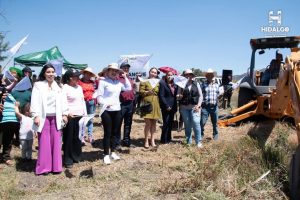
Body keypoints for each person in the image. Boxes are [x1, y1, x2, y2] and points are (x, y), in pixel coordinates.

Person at [30, 63, 68, 175]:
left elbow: (63, 101)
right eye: (48, 72)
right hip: (43, 118)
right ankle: (44, 168)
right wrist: (35, 115)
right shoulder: (38, 85)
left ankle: (56, 167)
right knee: (44, 143)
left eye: (52, 72)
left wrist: (65, 114)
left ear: (55, 73)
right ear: (44, 73)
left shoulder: (59, 86)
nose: (51, 74)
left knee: (56, 143)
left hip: (56, 118)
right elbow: (34, 101)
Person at [96, 63, 132, 164]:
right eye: (112, 70)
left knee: (115, 133)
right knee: (108, 133)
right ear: (107, 72)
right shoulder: (103, 82)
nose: (114, 72)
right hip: (106, 111)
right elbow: (99, 97)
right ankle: (106, 154)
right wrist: (106, 103)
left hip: (117, 110)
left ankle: (113, 152)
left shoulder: (118, 83)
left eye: (116, 71)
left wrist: (125, 77)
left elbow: (128, 88)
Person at [62, 69, 87, 168]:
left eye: (78, 76)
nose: (78, 78)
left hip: (80, 116)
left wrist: (85, 113)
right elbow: (62, 102)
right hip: (70, 117)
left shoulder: (79, 87)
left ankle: (76, 156)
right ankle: (67, 159)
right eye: (75, 76)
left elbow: (82, 101)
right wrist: (67, 112)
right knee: (68, 138)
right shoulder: (65, 87)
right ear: (69, 78)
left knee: (77, 137)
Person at [177, 69, 203, 147]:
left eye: (190, 74)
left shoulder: (196, 83)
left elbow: (201, 96)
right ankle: (188, 141)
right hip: (184, 108)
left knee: (196, 123)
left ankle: (198, 142)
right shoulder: (181, 85)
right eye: (186, 75)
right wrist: (179, 96)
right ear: (184, 76)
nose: (188, 76)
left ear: (192, 76)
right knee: (187, 125)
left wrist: (198, 105)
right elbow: (178, 96)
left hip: (195, 108)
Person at [139, 67, 161, 148]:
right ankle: (146, 141)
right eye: (152, 72)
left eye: (155, 73)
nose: (153, 73)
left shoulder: (158, 82)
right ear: (149, 72)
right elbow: (140, 92)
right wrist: (147, 92)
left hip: (155, 102)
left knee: (154, 123)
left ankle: (152, 140)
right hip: (146, 103)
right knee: (148, 123)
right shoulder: (144, 80)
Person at [117, 62, 135, 148]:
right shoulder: (117, 78)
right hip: (121, 104)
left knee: (128, 123)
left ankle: (126, 141)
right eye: (124, 67)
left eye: (127, 68)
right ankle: (117, 142)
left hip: (130, 103)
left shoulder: (130, 78)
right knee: (118, 123)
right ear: (120, 69)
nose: (126, 69)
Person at [78, 67, 97, 146]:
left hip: (91, 102)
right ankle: (82, 136)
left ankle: (90, 136)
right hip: (82, 103)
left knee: (90, 120)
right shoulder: (79, 82)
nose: (88, 75)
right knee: (82, 120)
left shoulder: (92, 82)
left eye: (90, 74)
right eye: (87, 73)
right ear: (84, 73)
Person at [0, 93, 20, 165]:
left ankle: (6, 157)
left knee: (8, 140)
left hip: (11, 121)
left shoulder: (13, 98)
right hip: (2, 120)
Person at [158, 70, 178, 144]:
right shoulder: (162, 84)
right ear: (166, 76)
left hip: (173, 106)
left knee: (170, 123)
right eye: (168, 75)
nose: (169, 76)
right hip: (166, 107)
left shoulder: (175, 85)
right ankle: (164, 140)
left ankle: (169, 139)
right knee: (166, 123)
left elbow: (175, 96)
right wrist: (166, 105)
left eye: (171, 75)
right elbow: (161, 96)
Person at [200, 68, 220, 140]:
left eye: (211, 74)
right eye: (208, 75)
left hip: (214, 107)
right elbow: (200, 95)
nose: (210, 76)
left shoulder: (217, 85)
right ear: (206, 76)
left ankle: (215, 137)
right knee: (202, 123)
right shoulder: (203, 84)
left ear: (213, 75)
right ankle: (201, 135)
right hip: (205, 107)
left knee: (215, 124)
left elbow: (218, 95)